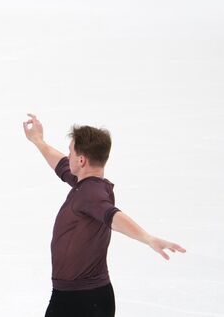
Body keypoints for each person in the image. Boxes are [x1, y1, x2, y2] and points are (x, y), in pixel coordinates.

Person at [22, 114, 185, 317]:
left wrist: (148, 238)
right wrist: (38, 140)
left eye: (70, 152)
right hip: (84, 297)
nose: (68, 156)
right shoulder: (88, 185)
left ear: (81, 160)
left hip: (80, 301)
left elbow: (113, 216)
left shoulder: (90, 194)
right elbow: (62, 165)